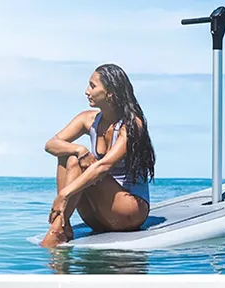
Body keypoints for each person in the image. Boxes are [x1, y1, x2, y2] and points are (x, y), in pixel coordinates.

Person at [40, 63, 155, 247]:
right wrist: (79, 149)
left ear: (110, 93)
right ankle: (64, 224)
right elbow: (51, 144)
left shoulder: (133, 125)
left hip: (129, 213)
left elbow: (104, 166)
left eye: (93, 86)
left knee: (80, 164)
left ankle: (57, 230)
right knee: (69, 155)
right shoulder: (88, 119)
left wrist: (64, 195)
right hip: (100, 217)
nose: (87, 91)